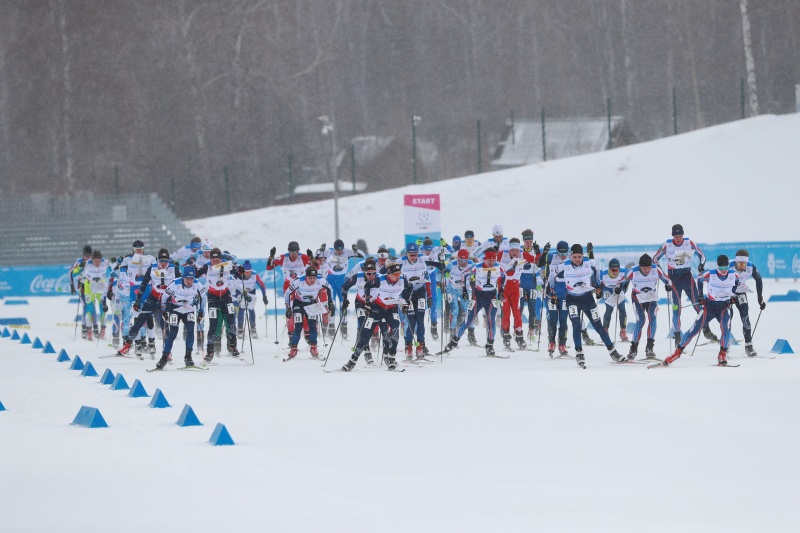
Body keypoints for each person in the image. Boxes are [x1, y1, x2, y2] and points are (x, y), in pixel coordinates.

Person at [554, 244, 624, 368]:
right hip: (572, 299)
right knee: (576, 325)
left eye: (579, 256)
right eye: (574, 257)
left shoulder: (590, 263)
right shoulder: (564, 265)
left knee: (598, 326)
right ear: (571, 256)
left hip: (587, 298)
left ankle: (612, 351)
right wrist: (551, 289)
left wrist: (597, 286)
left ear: (582, 256)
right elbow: (551, 275)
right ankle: (579, 352)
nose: (577, 259)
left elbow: (596, 272)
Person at [664, 255, 739, 367]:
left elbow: (736, 285)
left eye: (725, 268)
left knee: (726, 328)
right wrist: (700, 296)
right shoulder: (711, 274)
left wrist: (734, 295)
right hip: (709, 307)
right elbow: (699, 279)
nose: (723, 271)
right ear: (717, 266)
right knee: (694, 330)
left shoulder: (734, 275)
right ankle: (677, 353)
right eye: (721, 268)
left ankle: (722, 353)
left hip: (723, 308)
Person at [341, 260, 411, 371]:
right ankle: (352, 361)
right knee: (365, 333)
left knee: (395, 327)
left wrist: (406, 302)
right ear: (389, 274)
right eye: (395, 274)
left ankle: (391, 357)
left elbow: (409, 288)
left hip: (391, 309)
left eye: (399, 274)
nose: (398, 277)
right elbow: (367, 286)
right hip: (378, 308)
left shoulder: (402, 280)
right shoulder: (380, 279)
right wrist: (368, 302)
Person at [653, 224, 717, 344]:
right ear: (673, 236)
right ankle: (677, 335)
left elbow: (702, 256)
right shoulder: (667, 244)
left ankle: (706, 329)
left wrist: (701, 265)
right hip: (673, 279)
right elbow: (654, 259)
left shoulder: (689, 243)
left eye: (680, 236)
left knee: (697, 304)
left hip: (687, 277)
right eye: (676, 236)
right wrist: (663, 276)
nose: (678, 238)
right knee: (676, 308)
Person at [116, 248, 181, 358]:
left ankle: (167, 351)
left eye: (166, 261)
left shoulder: (174, 269)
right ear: (158, 260)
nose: (164, 263)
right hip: (154, 297)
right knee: (139, 320)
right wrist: (138, 300)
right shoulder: (152, 268)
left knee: (165, 325)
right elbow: (144, 284)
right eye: (161, 261)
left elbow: (180, 286)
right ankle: (127, 345)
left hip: (167, 300)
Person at [441, 248, 505, 356]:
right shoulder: (477, 266)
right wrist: (465, 290)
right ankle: (453, 342)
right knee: (468, 320)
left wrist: (502, 289)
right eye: (489, 260)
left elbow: (504, 276)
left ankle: (490, 346)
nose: (491, 263)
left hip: (491, 296)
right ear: (485, 259)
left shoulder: (499, 267)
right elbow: (464, 275)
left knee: (491, 321)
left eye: (493, 260)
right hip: (478, 296)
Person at [616, 254, 671, 360]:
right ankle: (633, 349)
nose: (647, 270)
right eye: (644, 268)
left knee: (652, 318)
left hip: (651, 297)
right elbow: (620, 282)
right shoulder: (633, 271)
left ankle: (649, 348)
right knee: (641, 320)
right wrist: (619, 288)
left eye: (649, 267)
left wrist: (667, 285)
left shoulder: (656, 269)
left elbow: (667, 279)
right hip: (638, 298)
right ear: (640, 266)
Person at [194, 248, 243, 361]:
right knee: (213, 324)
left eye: (217, 260)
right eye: (213, 260)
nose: (215, 262)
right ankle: (210, 351)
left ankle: (232, 346)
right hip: (212, 297)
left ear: (221, 259)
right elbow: (195, 275)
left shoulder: (227, 265)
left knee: (231, 320)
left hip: (226, 295)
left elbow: (239, 274)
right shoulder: (207, 266)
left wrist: (240, 270)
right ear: (210, 259)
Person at [155, 265, 205, 369]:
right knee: (173, 333)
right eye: (187, 279)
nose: (189, 281)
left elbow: (203, 298)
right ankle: (164, 358)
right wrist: (164, 310)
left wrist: (201, 312)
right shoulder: (175, 283)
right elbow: (164, 297)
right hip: (176, 309)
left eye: (191, 279)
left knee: (190, 331)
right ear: (183, 277)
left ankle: (188, 357)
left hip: (189, 309)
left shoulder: (197, 284)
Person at [267, 241, 310, 342]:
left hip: (301, 286)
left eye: (295, 252)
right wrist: (271, 257)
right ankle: (291, 336)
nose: (294, 255)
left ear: (298, 251)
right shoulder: (283, 258)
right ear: (288, 251)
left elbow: (316, 267)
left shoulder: (303, 257)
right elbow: (269, 267)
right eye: (291, 252)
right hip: (289, 286)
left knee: (305, 308)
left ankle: (307, 334)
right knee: (289, 310)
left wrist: (311, 258)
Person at [323, 239, 365, 340]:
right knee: (332, 305)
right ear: (335, 248)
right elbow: (317, 254)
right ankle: (331, 328)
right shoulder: (329, 252)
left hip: (342, 280)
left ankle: (344, 328)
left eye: (341, 250)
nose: (340, 252)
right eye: (338, 250)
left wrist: (355, 249)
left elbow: (362, 255)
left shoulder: (347, 252)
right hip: (331, 280)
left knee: (343, 305)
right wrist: (321, 249)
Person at [284, 266, 329, 359]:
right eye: (310, 278)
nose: (312, 280)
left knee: (312, 325)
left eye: (314, 278)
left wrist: (331, 301)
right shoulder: (299, 281)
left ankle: (313, 348)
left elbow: (330, 289)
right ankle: (293, 348)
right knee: (298, 326)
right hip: (298, 304)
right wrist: (288, 308)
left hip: (312, 304)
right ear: (306, 277)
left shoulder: (321, 280)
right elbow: (287, 293)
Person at [399, 242, 432, 359]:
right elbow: (387, 269)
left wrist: (442, 263)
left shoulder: (423, 259)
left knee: (420, 320)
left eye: (415, 254)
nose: (413, 257)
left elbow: (436, 261)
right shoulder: (401, 261)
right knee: (411, 320)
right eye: (411, 255)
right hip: (407, 294)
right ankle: (408, 345)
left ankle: (420, 346)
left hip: (420, 292)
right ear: (406, 253)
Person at [342, 258, 379, 360]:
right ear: (364, 271)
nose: (371, 276)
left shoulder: (379, 277)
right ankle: (367, 350)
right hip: (360, 303)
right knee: (363, 323)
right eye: (368, 273)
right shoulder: (358, 276)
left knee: (372, 325)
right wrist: (345, 300)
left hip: (373, 303)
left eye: (373, 273)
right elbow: (344, 287)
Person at [730, 249, 766, 356]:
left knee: (745, 317)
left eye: (744, 264)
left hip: (741, 292)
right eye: (740, 264)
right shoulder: (729, 266)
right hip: (728, 294)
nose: (742, 266)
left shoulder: (751, 267)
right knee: (728, 318)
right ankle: (725, 345)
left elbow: (758, 280)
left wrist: (759, 297)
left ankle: (748, 345)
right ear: (736, 262)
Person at [542, 240, 570, 356]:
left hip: (565, 295)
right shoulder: (551, 256)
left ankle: (562, 344)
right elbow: (539, 264)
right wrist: (544, 253)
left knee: (563, 320)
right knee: (552, 319)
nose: (563, 257)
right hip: (551, 294)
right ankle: (551, 342)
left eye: (565, 254)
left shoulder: (571, 257)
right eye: (560, 254)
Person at [498, 238, 527, 349]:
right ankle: (506, 335)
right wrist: (499, 290)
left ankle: (519, 336)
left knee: (517, 312)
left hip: (515, 289)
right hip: (505, 289)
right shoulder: (502, 255)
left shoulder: (522, 256)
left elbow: (536, 260)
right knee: (506, 313)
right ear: (508, 250)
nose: (515, 253)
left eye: (517, 250)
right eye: (512, 250)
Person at [77, 250, 111, 341]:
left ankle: (103, 329)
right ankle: (89, 331)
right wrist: (80, 267)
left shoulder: (105, 262)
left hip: (101, 287)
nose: (97, 263)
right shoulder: (87, 263)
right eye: (95, 261)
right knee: (90, 308)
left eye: (98, 261)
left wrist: (117, 263)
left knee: (103, 308)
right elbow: (75, 272)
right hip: (89, 287)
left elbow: (115, 269)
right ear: (92, 259)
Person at [233, 260, 268, 339]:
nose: (247, 273)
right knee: (241, 310)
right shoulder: (238, 274)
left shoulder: (254, 275)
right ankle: (240, 330)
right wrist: (235, 296)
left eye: (249, 272)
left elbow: (262, 285)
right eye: (245, 272)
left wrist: (264, 296)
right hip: (240, 293)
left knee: (251, 310)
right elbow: (232, 284)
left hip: (251, 293)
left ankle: (253, 330)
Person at [519, 229, 543, 340]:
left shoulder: (535, 251)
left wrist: (539, 253)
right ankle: (517, 330)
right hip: (521, 282)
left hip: (532, 282)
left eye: (530, 241)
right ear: (524, 241)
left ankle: (532, 330)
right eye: (527, 241)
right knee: (520, 307)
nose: (529, 243)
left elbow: (540, 263)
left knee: (532, 308)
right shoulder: (519, 250)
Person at [444, 249, 474, 338]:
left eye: (466, 260)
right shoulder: (452, 265)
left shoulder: (472, 264)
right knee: (455, 311)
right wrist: (445, 274)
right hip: (452, 289)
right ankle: (452, 334)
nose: (463, 263)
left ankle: (471, 335)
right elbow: (442, 273)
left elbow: (479, 271)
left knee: (468, 311)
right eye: (461, 260)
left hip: (465, 289)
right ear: (458, 259)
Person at [598, 258, 629, 341]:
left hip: (619, 288)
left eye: (616, 270)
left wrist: (623, 289)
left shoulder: (624, 272)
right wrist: (598, 292)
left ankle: (623, 331)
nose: (615, 272)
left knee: (622, 308)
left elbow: (627, 283)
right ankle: (605, 331)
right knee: (609, 309)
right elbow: (597, 284)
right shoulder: (603, 274)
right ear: (609, 269)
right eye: (613, 270)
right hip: (607, 289)